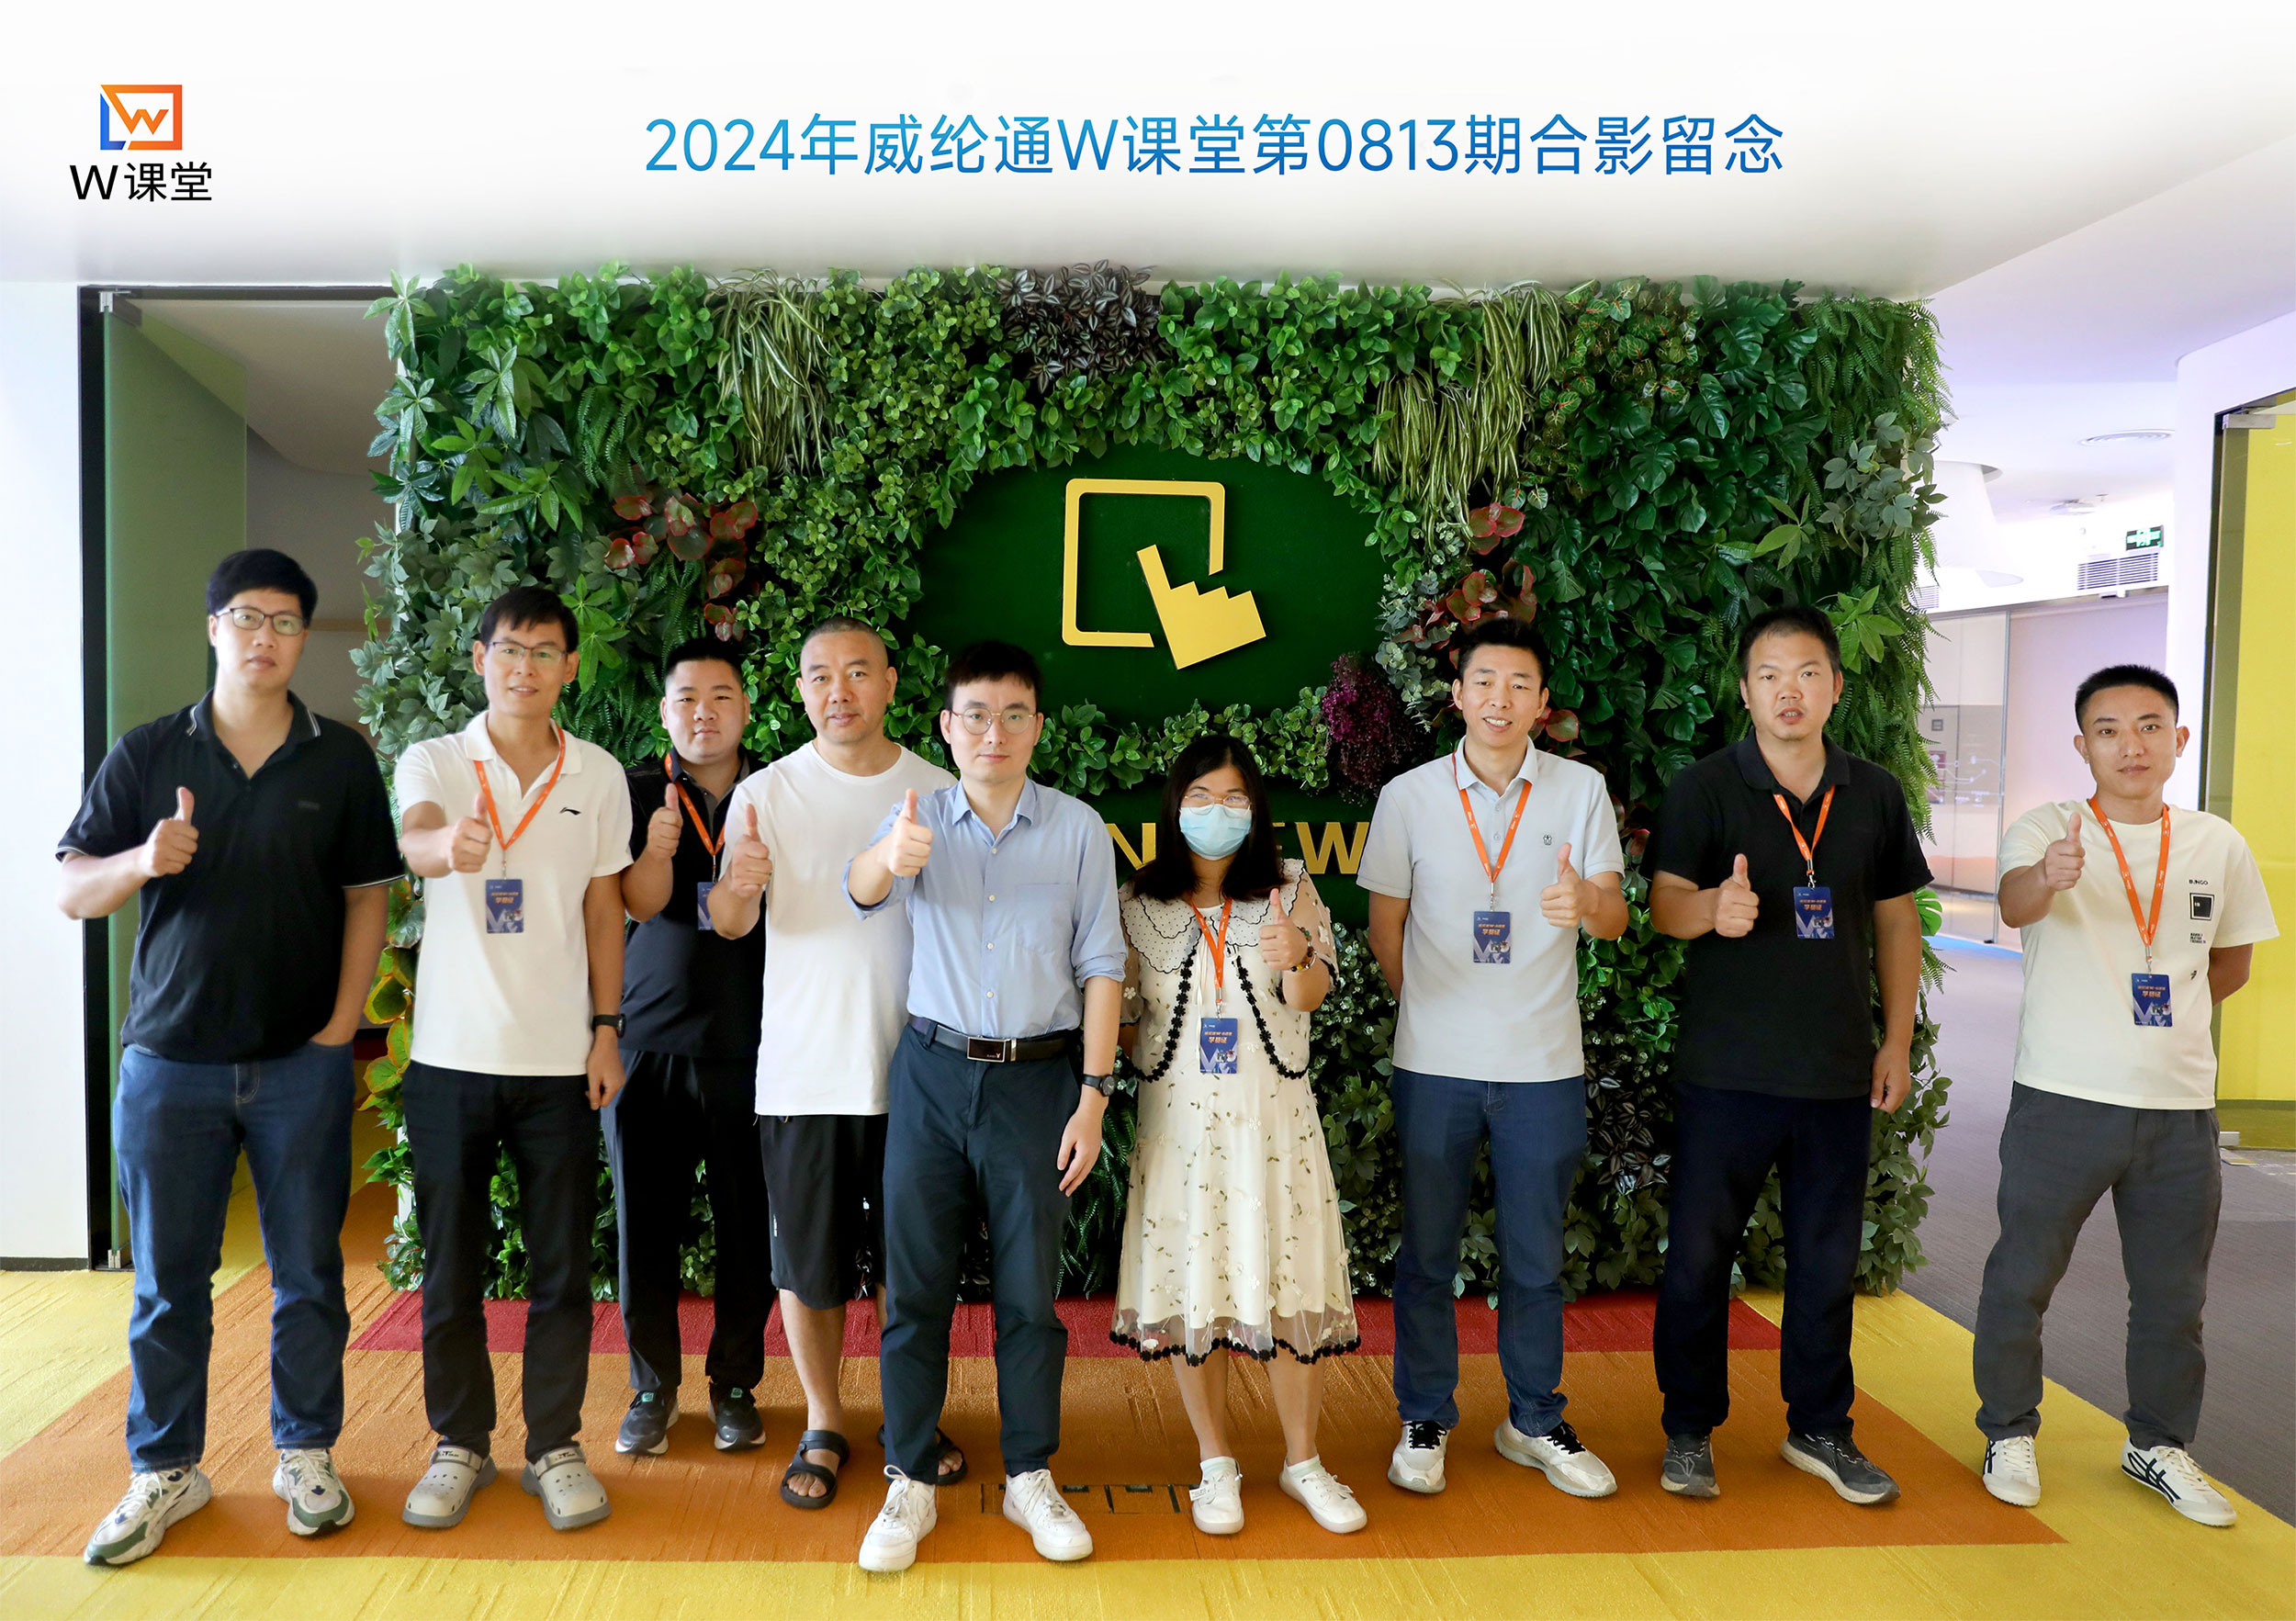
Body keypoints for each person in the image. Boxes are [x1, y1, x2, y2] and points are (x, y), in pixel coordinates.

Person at [60, 549, 400, 1567]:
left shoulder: (340, 758)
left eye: (285, 622)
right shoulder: (148, 750)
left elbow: (368, 897)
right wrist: (141, 859)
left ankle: (305, 1451)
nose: (265, 638)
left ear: (302, 639)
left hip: (301, 1062)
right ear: (214, 627)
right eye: (247, 618)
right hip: (170, 1062)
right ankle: (166, 1467)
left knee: (309, 1275)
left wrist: (341, 1028)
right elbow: (72, 888)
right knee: (169, 1283)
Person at [843, 639, 1124, 1573]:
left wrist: (1092, 1098)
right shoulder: (916, 816)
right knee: (914, 1288)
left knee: (1029, 1296)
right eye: (974, 715)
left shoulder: (1078, 829)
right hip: (930, 1074)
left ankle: (1029, 1474)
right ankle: (909, 1477)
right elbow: (859, 889)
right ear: (946, 726)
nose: (992, 732)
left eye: (1011, 715)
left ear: (1037, 726)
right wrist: (887, 856)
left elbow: (1103, 966)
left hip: (1037, 1083)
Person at [1975, 665, 2275, 1526]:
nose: (2130, 745)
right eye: (2108, 729)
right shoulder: (2048, 827)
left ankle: (2158, 1443)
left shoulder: (2217, 843)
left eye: (2149, 726)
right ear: (2083, 745)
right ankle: (2008, 1430)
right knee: (2023, 1276)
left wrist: (2167, 1026)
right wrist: (2049, 874)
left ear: (2179, 739)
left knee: (2174, 1296)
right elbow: (2013, 905)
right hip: (2062, 1097)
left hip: (2180, 1107)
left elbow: (2231, 962)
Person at [1646, 603, 1930, 1505]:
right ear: (1745, 690)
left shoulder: (1872, 793)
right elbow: (1663, 904)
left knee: (1825, 1260)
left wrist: (1895, 1040)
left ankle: (1820, 1426)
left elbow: (1896, 920)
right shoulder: (1703, 787)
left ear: (1835, 686)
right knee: (1697, 1259)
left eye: (1807, 672)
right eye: (1770, 674)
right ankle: (1688, 1429)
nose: (1788, 691)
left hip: (1837, 1070)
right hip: (1726, 1070)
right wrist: (1710, 910)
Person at [1359, 615, 1629, 1502]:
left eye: (1519, 685)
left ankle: (1535, 1418)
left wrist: (1587, 900)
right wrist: (1435, 1015)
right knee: (1426, 1254)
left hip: (1543, 1063)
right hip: (1433, 1064)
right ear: (1458, 694)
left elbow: (1615, 916)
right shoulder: (1408, 796)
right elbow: (1385, 928)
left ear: (1542, 702)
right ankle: (1425, 1414)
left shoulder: (1581, 790)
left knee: (1535, 1258)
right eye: (1484, 682)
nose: (1499, 699)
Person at [391, 585, 634, 1534]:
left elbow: (605, 908)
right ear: (479, 659)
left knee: (562, 1268)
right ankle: (459, 1443)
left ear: (569, 667)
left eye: (542, 652)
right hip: (450, 1061)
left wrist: (607, 1027)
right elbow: (413, 834)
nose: (522, 667)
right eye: (507, 649)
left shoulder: (598, 773)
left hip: (560, 1064)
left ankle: (554, 1445)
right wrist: (443, 843)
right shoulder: (437, 760)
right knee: (451, 1266)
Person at [711, 617, 958, 1509]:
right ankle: (823, 1418)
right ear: (800, 691)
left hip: (920, 1074)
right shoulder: (764, 794)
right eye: (820, 675)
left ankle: (908, 1417)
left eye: (858, 672)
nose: (839, 690)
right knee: (806, 1269)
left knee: (909, 1267)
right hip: (804, 1071)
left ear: (891, 682)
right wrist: (737, 883)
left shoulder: (941, 790)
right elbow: (730, 921)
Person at [1112, 733, 1365, 1536]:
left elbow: (1311, 994)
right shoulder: (1137, 901)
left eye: (1232, 797)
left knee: (1290, 1294)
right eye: (1199, 797)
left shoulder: (1290, 885)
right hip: (1180, 1136)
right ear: (1173, 807)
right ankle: (1215, 1463)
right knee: (1195, 1293)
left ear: (1255, 808)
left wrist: (1299, 955)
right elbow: (1123, 1023)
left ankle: (1303, 1461)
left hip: (1275, 1132)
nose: (1215, 812)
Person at [604, 638, 771, 1458]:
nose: (704, 712)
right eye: (687, 699)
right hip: (647, 1041)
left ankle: (735, 1383)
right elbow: (619, 906)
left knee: (749, 1226)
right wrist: (656, 849)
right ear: (665, 711)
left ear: (746, 707)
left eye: (720, 695)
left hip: (754, 1043)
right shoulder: (632, 791)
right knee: (645, 1222)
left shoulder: (776, 791)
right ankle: (651, 1386)